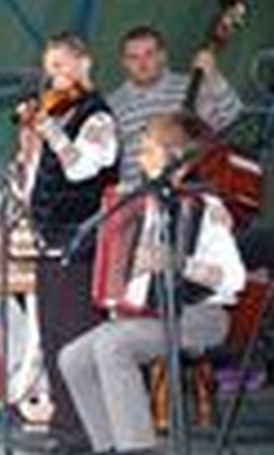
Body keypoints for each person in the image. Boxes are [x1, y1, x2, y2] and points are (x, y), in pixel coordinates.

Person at [58, 111, 247, 455]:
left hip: (201, 316)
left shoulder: (205, 206)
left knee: (113, 345)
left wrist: (178, 263)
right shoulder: (142, 203)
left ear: (176, 158)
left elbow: (234, 279)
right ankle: (110, 447)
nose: (140, 158)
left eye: (148, 151)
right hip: (152, 316)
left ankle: (137, 449)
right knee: (72, 358)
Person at [20, 32, 120, 449]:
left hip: (82, 244)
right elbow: (38, 181)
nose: (54, 78)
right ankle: (66, 427)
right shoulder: (59, 115)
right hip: (50, 242)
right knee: (54, 338)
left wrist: (52, 134)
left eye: (61, 67)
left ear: (85, 64)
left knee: (78, 336)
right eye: (50, 70)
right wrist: (30, 148)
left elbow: (81, 170)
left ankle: (89, 430)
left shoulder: (98, 118)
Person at [108, 25, 243, 186]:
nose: (142, 63)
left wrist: (213, 76)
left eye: (149, 54)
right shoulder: (113, 105)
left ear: (162, 56)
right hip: (137, 194)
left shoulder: (191, 88)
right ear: (124, 62)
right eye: (133, 57)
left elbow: (234, 119)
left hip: (190, 190)